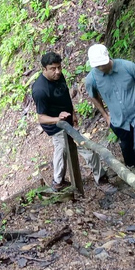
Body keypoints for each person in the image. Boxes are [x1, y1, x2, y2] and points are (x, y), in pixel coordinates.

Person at [31, 52, 106, 191]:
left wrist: (73, 113)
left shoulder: (59, 76)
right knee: (85, 147)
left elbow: (65, 96)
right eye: (53, 69)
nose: (57, 71)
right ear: (44, 69)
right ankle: (101, 179)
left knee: (61, 149)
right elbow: (41, 117)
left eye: (59, 67)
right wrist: (57, 120)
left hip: (66, 120)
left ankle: (57, 181)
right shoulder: (40, 90)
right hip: (56, 125)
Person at [85, 44, 135, 179]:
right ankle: (131, 168)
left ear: (108, 57)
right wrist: (105, 115)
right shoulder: (92, 79)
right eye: (98, 66)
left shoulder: (127, 66)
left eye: (103, 64)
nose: (101, 67)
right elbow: (94, 97)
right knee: (126, 145)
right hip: (118, 119)